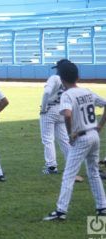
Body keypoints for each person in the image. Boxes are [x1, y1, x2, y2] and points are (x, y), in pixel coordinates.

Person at [43, 62, 106, 221]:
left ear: (62, 79)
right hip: (94, 135)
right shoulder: (87, 91)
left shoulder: (67, 94)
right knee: (93, 172)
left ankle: (61, 211)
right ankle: (102, 206)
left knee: (69, 174)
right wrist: (100, 125)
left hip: (82, 138)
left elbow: (67, 114)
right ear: (78, 77)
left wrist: (71, 133)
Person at [40, 59, 71, 174]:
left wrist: (43, 109)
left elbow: (47, 93)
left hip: (50, 109)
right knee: (64, 140)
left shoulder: (54, 78)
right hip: (63, 109)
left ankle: (51, 166)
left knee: (48, 139)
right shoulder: (68, 80)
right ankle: (71, 164)